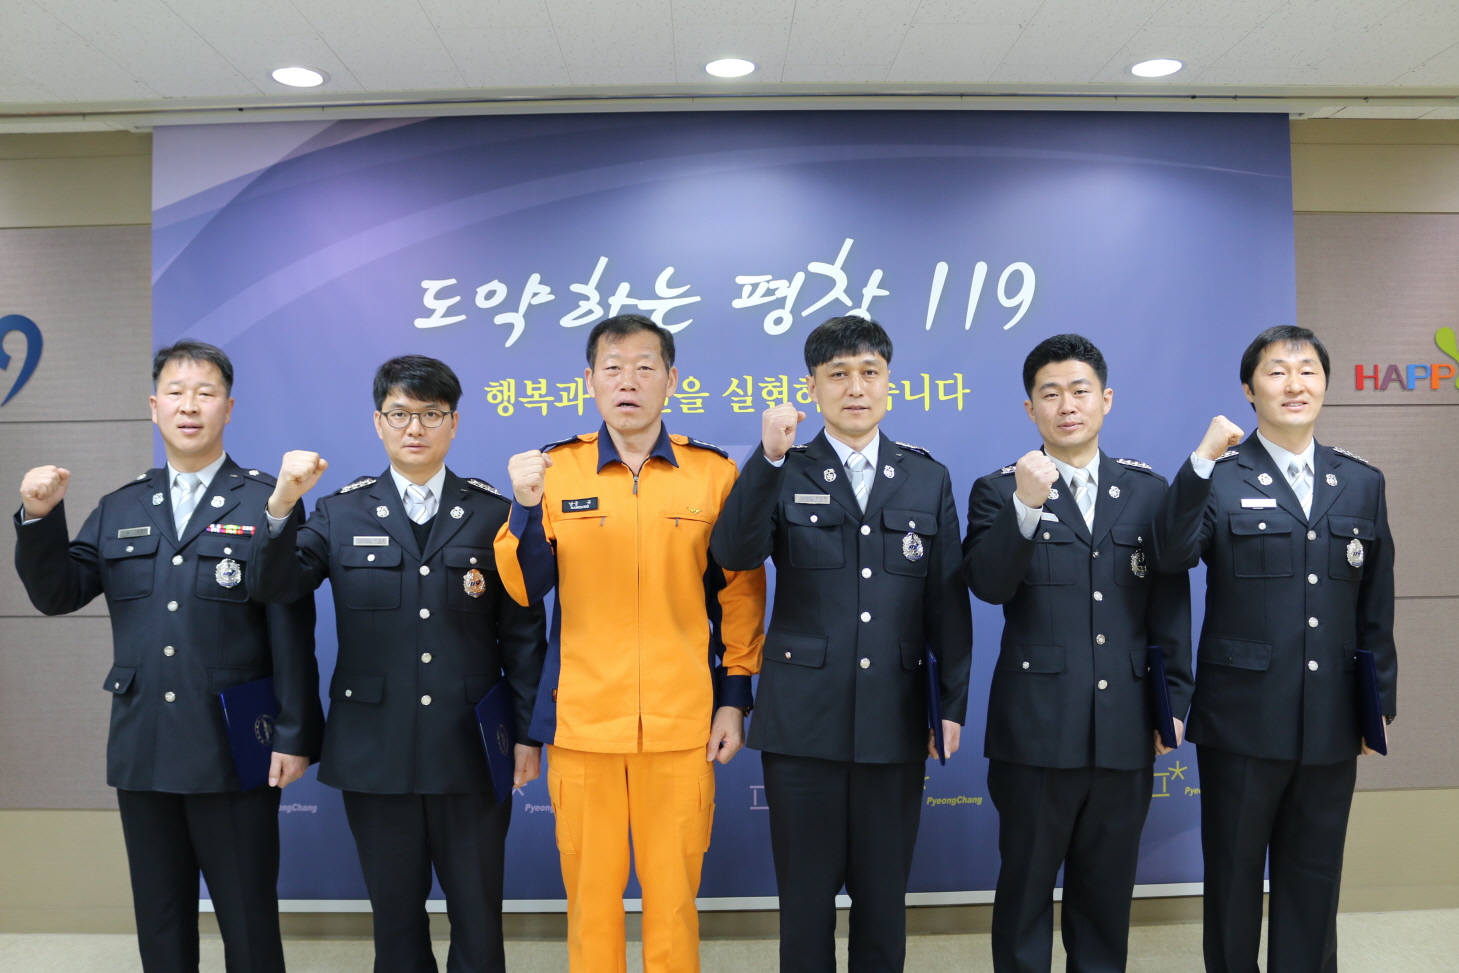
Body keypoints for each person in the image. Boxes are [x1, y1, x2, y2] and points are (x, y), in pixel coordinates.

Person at [13, 340, 322, 973]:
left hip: (234, 746)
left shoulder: (267, 501)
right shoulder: (121, 505)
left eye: (205, 393)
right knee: (160, 920)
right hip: (144, 743)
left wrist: (294, 732)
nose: (189, 406)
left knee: (248, 919)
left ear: (228, 408)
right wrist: (39, 518)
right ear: (154, 407)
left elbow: (290, 623)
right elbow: (58, 593)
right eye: (175, 393)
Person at [247, 355, 546, 973]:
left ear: (454, 423)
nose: (415, 428)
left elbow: (522, 632)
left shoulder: (492, 512)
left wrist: (525, 733)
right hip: (374, 751)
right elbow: (274, 586)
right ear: (377, 422)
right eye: (400, 414)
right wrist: (280, 505)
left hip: (473, 748)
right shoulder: (340, 512)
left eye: (431, 414)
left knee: (479, 921)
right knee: (396, 924)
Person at [494, 313, 765, 973]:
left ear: (671, 380)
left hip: (681, 724)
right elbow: (524, 587)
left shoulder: (712, 474)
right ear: (588, 380)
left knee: (673, 904)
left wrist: (734, 698)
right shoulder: (554, 470)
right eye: (612, 368)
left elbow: (739, 593)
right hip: (584, 724)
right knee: (590, 903)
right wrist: (524, 507)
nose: (628, 382)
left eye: (645, 367)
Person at [709, 315, 972, 973]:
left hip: (895, 717)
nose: (855, 388)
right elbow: (733, 551)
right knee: (805, 904)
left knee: (883, 902)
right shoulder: (785, 467)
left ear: (888, 382)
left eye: (868, 373)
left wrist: (950, 704)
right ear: (812, 387)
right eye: (838, 375)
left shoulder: (926, 477)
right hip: (802, 723)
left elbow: (946, 601)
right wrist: (768, 459)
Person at [1149, 325, 1396, 973]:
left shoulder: (1360, 482)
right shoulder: (1220, 476)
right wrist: (1200, 461)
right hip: (1241, 718)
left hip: (1331, 718)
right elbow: (1170, 554)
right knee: (1233, 877)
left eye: (1307, 371)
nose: (1294, 384)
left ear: (1324, 385)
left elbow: (1375, 605)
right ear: (1248, 389)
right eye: (1277, 371)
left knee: (1314, 877)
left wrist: (1376, 704)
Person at [962, 333, 1193, 973]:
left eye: (1080, 390)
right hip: (1035, 730)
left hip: (1125, 727)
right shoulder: (998, 490)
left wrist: (1173, 702)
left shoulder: (1148, 492)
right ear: (1030, 408)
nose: (1067, 405)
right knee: (1026, 890)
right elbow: (987, 585)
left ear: (1106, 399)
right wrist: (1025, 506)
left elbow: (1169, 608)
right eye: (1050, 393)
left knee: (1105, 896)